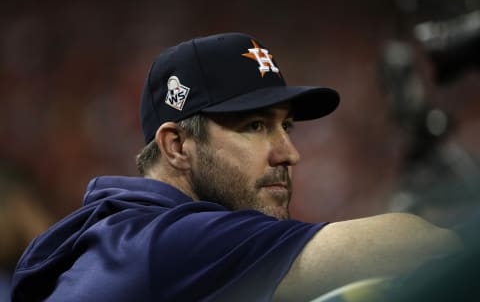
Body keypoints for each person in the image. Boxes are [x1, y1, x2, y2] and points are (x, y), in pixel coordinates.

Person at [11, 32, 462, 301]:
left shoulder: (121, 239)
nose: (289, 153)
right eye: (253, 126)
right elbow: (418, 244)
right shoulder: (172, 245)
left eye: (287, 127)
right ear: (176, 146)